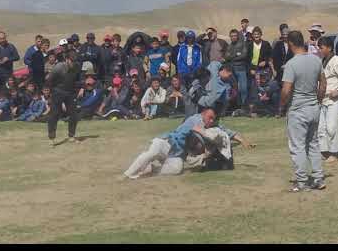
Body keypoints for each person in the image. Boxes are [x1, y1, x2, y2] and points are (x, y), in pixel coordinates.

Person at [123, 108, 251, 179]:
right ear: (203, 115)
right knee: (152, 153)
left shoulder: (212, 126)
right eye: (209, 117)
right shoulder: (194, 119)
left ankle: (152, 169)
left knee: (177, 169)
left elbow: (227, 132)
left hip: (177, 154)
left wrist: (243, 141)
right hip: (167, 142)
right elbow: (190, 130)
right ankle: (127, 174)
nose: (211, 121)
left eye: (213, 119)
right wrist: (203, 132)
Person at [280, 30, 327, 192]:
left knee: (298, 146)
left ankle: (301, 181)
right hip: (314, 107)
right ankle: (318, 178)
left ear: (290, 43)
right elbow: (323, 84)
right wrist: (318, 101)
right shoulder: (316, 60)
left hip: (298, 109)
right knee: (313, 144)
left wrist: (281, 105)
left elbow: (286, 90)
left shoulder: (291, 64)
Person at [46, 50, 81, 146]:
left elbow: (78, 80)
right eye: (71, 61)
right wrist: (53, 94)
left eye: (75, 61)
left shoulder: (77, 67)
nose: (73, 63)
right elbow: (49, 81)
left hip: (70, 93)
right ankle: (51, 138)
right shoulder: (59, 67)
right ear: (66, 59)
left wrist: (80, 88)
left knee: (74, 114)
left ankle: (71, 136)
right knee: (54, 114)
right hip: (58, 92)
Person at [224, 28, 249, 114]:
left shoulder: (243, 44)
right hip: (232, 70)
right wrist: (236, 54)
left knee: (243, 89)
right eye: (232, 36)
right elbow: (226, 57)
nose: (233, 37)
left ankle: (244, 106)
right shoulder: (229, 46)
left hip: (241, 69)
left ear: (237, 36)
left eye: (235, 36)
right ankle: (238, 107)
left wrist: (232, 56)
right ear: (230, 37)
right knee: (235, 89)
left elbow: (244, 55)